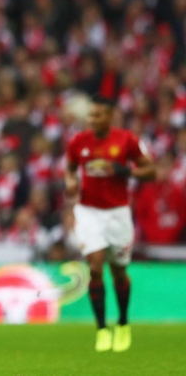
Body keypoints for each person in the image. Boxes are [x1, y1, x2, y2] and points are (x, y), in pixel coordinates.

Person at [64, 95, 154, 353]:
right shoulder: (79, 142)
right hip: (89, 211)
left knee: (118, 271)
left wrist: (125, 171)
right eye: (91, 115)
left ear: (111, 116)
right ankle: (102, 330)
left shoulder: (126, 140)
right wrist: (71, 182)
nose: (92, 120)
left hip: (117, 213)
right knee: (94, 268)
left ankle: (123, 323)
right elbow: (70, 168)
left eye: (98, 115)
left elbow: (151, 171)